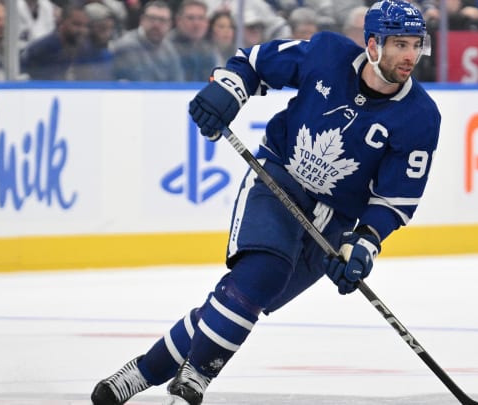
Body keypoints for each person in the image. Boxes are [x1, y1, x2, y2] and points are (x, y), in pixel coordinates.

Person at [90, 1, 441, 404]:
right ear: (373, 44)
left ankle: (138, 373)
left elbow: (394, 199)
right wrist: (228, 90)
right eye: (400, 44)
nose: (411, 56)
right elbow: (254, 62)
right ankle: (194, 380)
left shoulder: (420, 117)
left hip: (335, 222)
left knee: (240, 300)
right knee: (263, 275)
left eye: (417, 44)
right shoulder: (327, 54)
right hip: (280, 184)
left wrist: (363, 242)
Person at [111, 0, 184, 81]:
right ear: (142, 20)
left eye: (162, 20)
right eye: (152, 18)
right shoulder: (124, 46)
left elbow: (177, 83)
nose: (156, 24)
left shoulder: (170, 49)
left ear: (170, 24)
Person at [20, 3, 92, 80]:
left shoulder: (87, 50)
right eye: (76, 24)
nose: (82, 30)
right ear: (62, 21)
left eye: (85, 26)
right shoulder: (40, 49)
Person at [167, 0, 217, 82]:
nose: (196, 23)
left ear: (207, 22)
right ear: (178, 20)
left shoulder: (209, 50)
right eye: (190, 18)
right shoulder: (166, 47)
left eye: (201, 18)